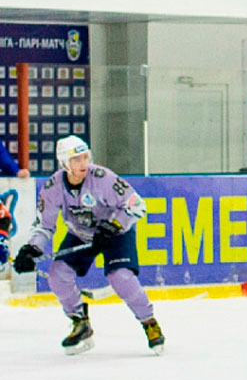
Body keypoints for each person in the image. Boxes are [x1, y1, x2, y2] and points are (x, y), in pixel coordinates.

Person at [11, 136, 164, 355]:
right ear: (65, 163)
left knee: (121, 277)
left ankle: (149, 322)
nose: (83, 163)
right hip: (81, 234)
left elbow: (138, 205)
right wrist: (32, 249)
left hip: (115, 233)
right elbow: (44, 226)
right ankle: (80, 321)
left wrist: (114, 225)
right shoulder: (53, 187)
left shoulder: (103, 178)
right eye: (76, 159)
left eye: (85, 157)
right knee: (58, 274)